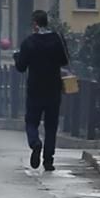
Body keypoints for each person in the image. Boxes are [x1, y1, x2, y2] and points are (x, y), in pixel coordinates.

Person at [13, 10, 69, 171]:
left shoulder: (29, 42)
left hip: (35, 89)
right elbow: (64, 60)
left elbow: (21, 67)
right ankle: (48, 161)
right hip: (53, 88)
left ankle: (35, 143)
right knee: (51, 126)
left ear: (35, 24)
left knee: (31, 121)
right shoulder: (57, 39)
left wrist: (17, 57)